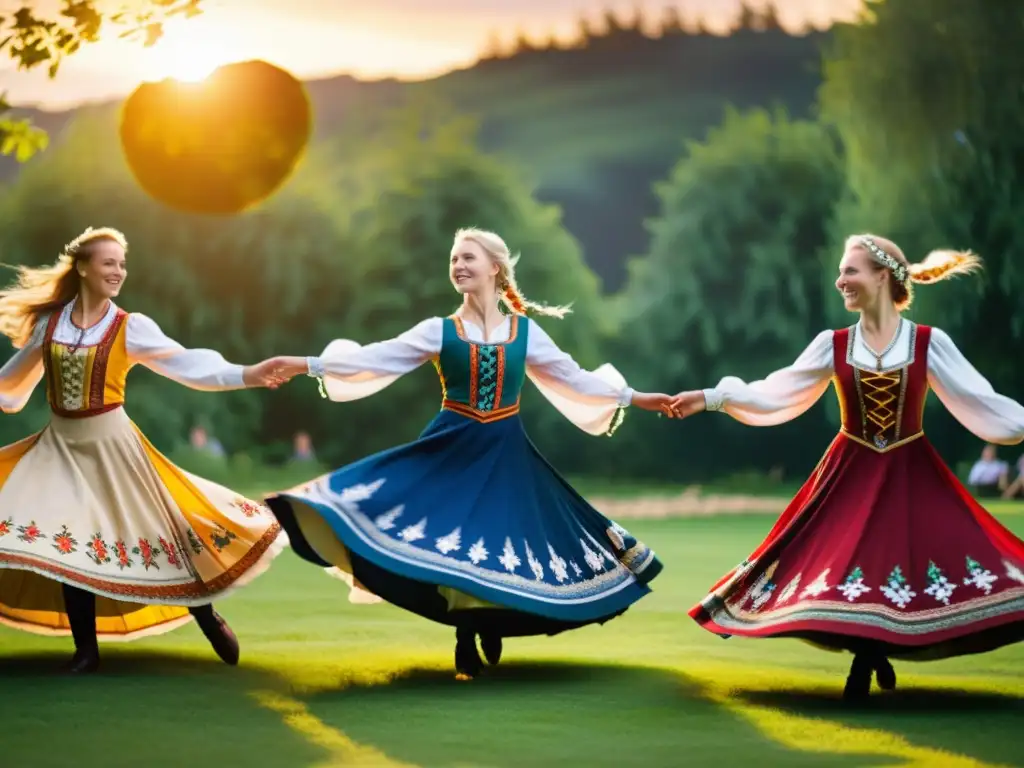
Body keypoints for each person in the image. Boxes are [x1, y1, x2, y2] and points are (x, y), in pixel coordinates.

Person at [263, 227, 670, 678]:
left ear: (494, 268)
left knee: (501, 544)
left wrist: (639, 398)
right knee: (458, 544)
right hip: (451, 448)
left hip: (506, 454)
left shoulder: (525, 334)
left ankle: (487, 623)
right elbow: (376, 358)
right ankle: (468, 634)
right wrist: (305, 364)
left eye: (468, 258)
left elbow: (575, 379)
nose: (458, 266)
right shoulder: (438, 331)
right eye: (454, 259)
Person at [670, 234, 1024, 701]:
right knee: (843, 569)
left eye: (850, 271)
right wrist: (711, 397)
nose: (840, 281)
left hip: (909, 473)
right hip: (848, 472)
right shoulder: (832, 344)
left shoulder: (927, 342)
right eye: (840, 271)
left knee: (904, 567)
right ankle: (867, 652)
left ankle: (870, 653)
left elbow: (982, 402)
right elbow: (776, 392)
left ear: (882, 277)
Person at [0, 226, 289, 674]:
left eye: (121, 263)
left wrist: (246, 373)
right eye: (108, 262)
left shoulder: (129, 327)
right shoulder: (49, 325)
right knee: (66, 544)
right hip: (60, 447)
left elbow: (188, 363)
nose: (118, 271)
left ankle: (205, 614)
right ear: (82, 268)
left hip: (113, 446)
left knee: (160, 532)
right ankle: (86, 652)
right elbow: (10, 385)